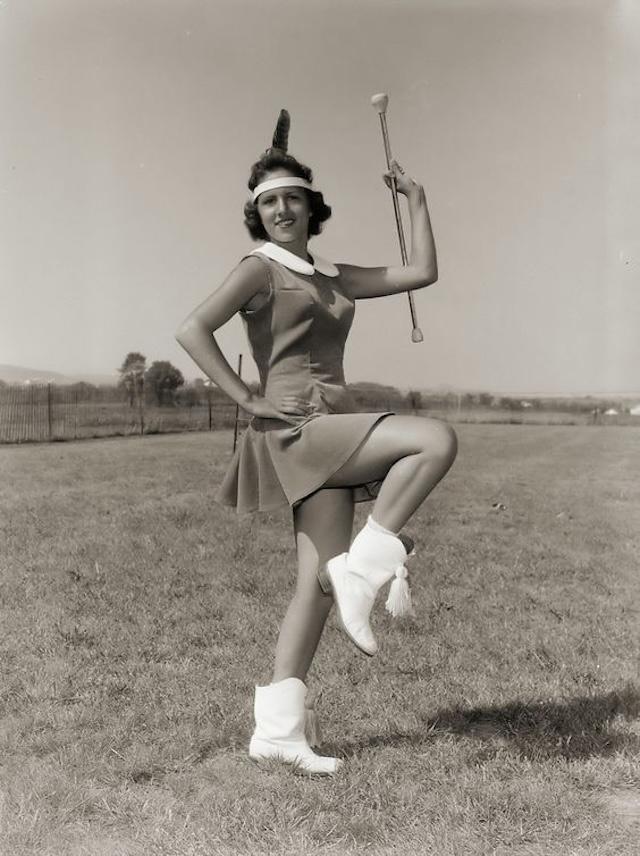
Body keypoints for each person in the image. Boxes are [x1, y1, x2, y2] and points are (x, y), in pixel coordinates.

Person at [175, 110, 457, 775]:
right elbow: (193, 329)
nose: (280, 208)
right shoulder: (257, 268)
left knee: (313, 586)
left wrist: (417, 201)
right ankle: (366, 565)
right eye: (268, 200)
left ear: (310, 206)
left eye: (290, 198)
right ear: (257, 213)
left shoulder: (329, 273)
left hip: (331, 426)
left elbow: (420, 271)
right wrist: (246, 399)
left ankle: (276, 733)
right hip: (298, 429)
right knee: (434, 440)